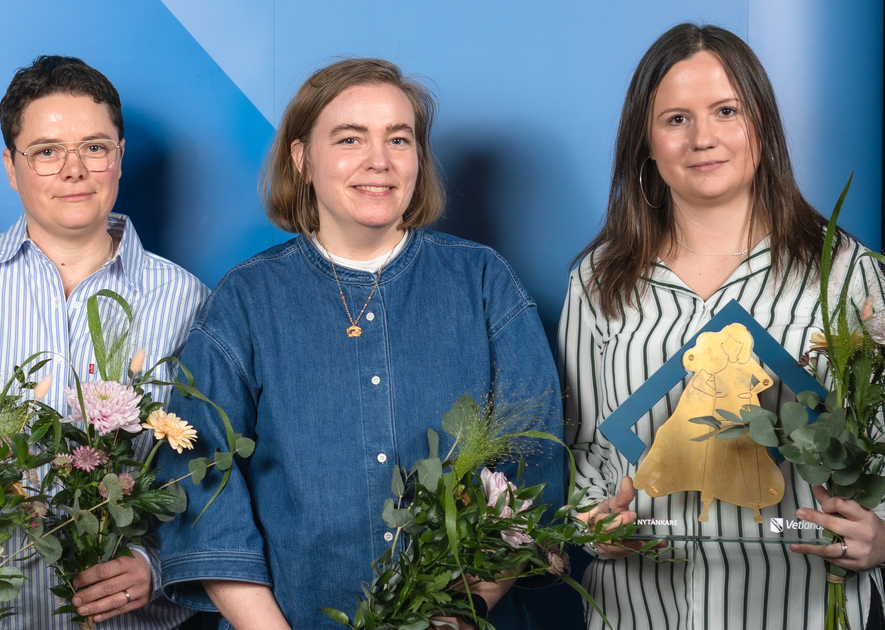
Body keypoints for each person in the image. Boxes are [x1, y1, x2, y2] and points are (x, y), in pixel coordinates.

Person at [156, 58, 565, 630]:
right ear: (302, 159)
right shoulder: (247, 299)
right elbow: (200, 482)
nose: (380, 160)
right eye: (350, 138)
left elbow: (531, 466)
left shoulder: (482, 282)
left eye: (398, 139)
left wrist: (456, 617)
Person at [561, 23, 885, 629]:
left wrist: (884, 534)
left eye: (726, 110)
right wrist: (594, 520)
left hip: (804, 608)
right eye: (676, 119)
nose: (702, 138)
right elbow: (581, 446)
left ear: (762, 127)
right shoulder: (598, 279)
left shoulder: (845, 271)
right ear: (645, 144)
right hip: (640, 610)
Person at [0, 55, 208, 629]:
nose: (74, 170)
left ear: (120, 157)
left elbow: (210, 476)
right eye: (47, 151)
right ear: (11, 167)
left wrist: (155, 565)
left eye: (94, 146)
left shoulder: (186, 300)